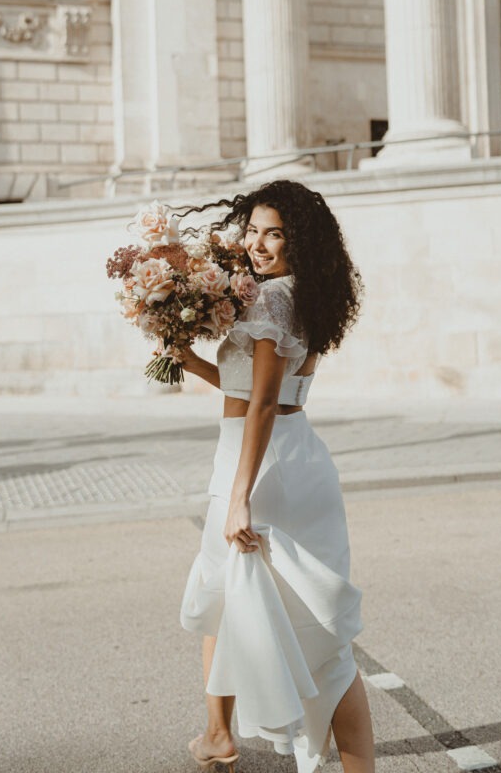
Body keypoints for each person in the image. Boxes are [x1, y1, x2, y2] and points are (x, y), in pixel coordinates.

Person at [178, 180, 375, 773]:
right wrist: (187, 360)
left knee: (288, 621)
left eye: (275, 234)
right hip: (292, 455)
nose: (258, 244)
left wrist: (239, 499)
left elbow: (262, 404)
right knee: (250, 602)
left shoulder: (268, 302)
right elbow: (258, 391)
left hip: (260, 465)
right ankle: (218, 735)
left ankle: (227, 736)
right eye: (254, 230)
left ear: (299, 242)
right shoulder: (302, 294)